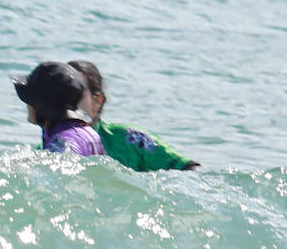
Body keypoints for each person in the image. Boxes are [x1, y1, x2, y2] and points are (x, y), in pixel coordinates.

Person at [68, 60, 200, 171]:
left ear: (98, 101)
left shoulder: (129, 138)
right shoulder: (48, 140)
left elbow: (190, 168)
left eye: (75, 91)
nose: (65, 99)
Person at [12, 61, 105, 157]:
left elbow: (63, 164)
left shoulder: (64, 140)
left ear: (42, 106)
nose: (28, 104)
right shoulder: (82, 130)